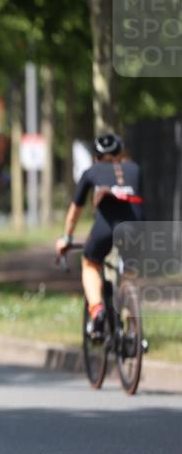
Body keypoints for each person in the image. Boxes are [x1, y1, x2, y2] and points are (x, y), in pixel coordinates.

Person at [55, 133, 142, 339]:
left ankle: (97, 311)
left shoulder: (91, 171)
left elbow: (75, 211)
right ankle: (133, 330)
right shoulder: (136, 170)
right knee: (130, 272)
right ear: (121, 154)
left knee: (90, 263)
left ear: (96, 157)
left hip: (106, 227)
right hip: (136, 226)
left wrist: (66, 238)